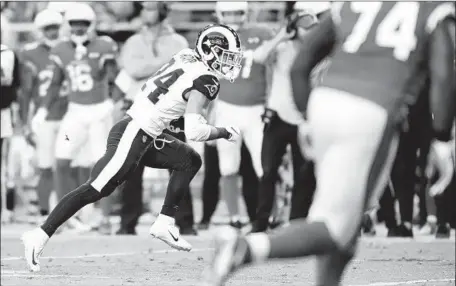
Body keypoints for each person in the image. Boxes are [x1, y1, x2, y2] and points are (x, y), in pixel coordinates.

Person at [201, 2, 456, 286]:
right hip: (373, 110)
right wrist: (443, 138)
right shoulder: (432, 8)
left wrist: (307, 116)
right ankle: (245, 248)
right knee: (336, 226)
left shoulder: (353, 4)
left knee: (345, 220)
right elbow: (444, 71)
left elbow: (301, 64)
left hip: (325, 100)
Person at [21, 23, 244, 272]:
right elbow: (194, 130)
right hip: (133, 132)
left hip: (144, 131)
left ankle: (165, 222)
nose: (229, 63)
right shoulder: (206, 79)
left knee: (189, 160)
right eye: (226, 56)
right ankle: (39, 235)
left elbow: (173, 103)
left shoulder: (186, 56)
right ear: (210, 51)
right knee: (95, 189)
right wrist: (224, 132)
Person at [30, 3, 119, 234]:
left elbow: (113, 76)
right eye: (74, 24)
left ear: (91, 25)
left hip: (99, 111)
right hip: (76, 112)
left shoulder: (104, 45)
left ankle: (105, 215)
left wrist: (112, 99)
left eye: (83, 24)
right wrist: (42, 110)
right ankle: (64, 216)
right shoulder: (60, 49)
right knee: (61, 160)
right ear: (68, 26)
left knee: (104, 164)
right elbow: (55, 83)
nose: (79, 28)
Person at [115, 1, 195, 236]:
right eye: (144, 8)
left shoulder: (178, 41)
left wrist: (151, 68)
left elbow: (184, 71)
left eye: (150, 8)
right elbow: (132, 68)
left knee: (181, 163)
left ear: (162, 11)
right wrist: (164, 66)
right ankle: (127, 223)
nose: (145, 12)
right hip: (139, 109)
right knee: (130, 168)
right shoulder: (133, 41)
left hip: (170, 110)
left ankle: (186, 222)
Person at [249, 2, 318, 233]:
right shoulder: (282, 48)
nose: (309, 31)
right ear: (294, 28)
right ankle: (260, 223)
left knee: (304, 175)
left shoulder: (318, 52)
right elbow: (258, 57)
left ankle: (297, 223)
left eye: (312, 27)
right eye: (305, 26)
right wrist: (281, 36)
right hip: (277, 116)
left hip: (305, 119)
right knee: (268, 172)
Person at [211, 1, 272, 228]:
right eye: (228, 13)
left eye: (237, 12)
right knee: (228, 166)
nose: (234, 17)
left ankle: (270, 214)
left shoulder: (263, 33)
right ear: (220, 14)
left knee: (263, 166)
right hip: (226, 109)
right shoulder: (213, 37)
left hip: (256, 108)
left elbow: (271, 69)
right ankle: (234, 216)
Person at [18, 9, 68, 224]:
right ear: (40, 30)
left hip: (69, 114)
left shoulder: (69, 49)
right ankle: (44, 211)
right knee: (46, 166)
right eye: (48, 28)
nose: (52, 32)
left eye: (55, 27)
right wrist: (26, 123)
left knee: (68, 165)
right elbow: (26, 92)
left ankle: (70, 211)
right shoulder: (30, 54)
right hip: (44, 117)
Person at [1, 43, 21, 222]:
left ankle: (6, 209)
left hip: (2, 111)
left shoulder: (6, 53)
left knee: (5, 164)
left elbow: (8, 81)